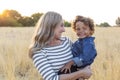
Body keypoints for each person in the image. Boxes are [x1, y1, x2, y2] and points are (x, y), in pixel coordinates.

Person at [28, 11, 92, 80]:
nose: (64, 30)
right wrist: (81, 73)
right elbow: (52, 78)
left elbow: (81, 58)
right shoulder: (38, 52)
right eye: (61, 25)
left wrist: (86, 69)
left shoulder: (66, 41)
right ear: (50, 27)